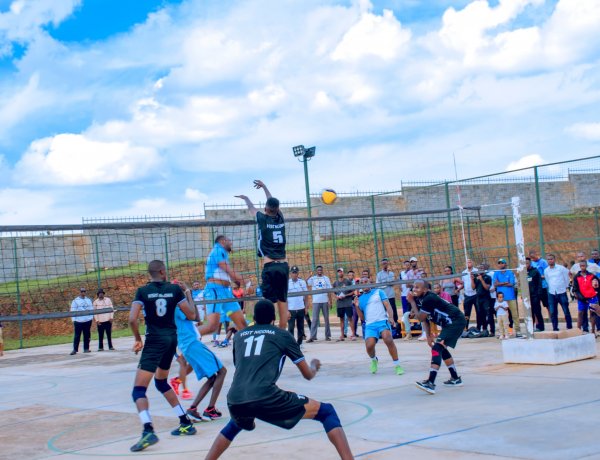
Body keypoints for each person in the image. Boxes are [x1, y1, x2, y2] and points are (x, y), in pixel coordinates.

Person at [204, 299, 354, 460]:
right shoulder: (282, 335)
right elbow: (307, 375)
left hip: (235, 398)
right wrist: (314, 365)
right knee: (326, 411)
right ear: (273, 318)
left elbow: (242, 367)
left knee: (238, 420)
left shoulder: (239, 336)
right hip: (264, 395)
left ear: (254, 318)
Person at [128, 260, 198, 452]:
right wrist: (187, 292)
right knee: (161, 383)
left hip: (154, 341)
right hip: (170, 340)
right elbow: (192, 315)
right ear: (161, 271)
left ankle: (148, 430)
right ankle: (185, 422)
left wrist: (137, 339)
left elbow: (132, 319)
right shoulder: (174, 290)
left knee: (138, 391)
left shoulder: (142, 292)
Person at [236, 180, 289, 329]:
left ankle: (268, 332)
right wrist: (265, 187)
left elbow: (251, 208)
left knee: (269, 304)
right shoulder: (280, 218)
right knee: (283, 302)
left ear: (265, 209)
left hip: (270, 266)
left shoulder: (262, 219)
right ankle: (282, 333)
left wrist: (246, 198)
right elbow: (272, 203)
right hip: (284, 266)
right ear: (278, 209)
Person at [173, 281, 227, 423]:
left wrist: (188, 294)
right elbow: (193, 315)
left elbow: (196, 317)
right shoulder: (178, 307)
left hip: (189, 345)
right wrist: (188, 292)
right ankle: (210, 409)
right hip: (192, 344)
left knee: (212, 377)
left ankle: (193, 409)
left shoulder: (179, 307)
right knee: (222, 372)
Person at [408, 280, 466, 395]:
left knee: (437, 349)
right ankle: (455, 378)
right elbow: (425, 319)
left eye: (417, 287)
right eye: (414, 287)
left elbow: (420, 318)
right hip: (448, 323)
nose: (414, 289)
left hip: (455, 321)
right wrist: (428, 336)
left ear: (425, 289)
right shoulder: (420, 299)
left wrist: (411, 302)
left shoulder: (429, 298)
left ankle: (430, 383)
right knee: (441, 349)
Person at [354, 271, 403, 375]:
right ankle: (374, 360)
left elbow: (388, 305)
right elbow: (362, 318)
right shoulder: (360, 298)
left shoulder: (379, 292)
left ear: (370, 282)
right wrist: (357, 306)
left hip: (382, 321)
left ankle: (397, 365)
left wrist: (391, 317)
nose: (364, 284)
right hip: (370, 325)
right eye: (362, 283)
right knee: (369, 346)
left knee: (388, 339)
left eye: (366, 281)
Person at [199, 235, 247, 339]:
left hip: (226, 292)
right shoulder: (217, 250)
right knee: (212, 326)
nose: (231, 243)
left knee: (242, 324)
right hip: (215, 290)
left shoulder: (222, 253)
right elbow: (228, 270)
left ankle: (248, 348)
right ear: (223, 241)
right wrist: (247, 282)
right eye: (229, 241)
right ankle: (187, 336)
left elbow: (225, 273)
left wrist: (236, 281)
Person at [544, 253, 573, 331]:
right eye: (548, 259)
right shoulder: (546, 270)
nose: (550, 260)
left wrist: (565, 287)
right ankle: (555, 327)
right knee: (553, 312)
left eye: (551, 259)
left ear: (554, 259)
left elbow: (566, 277)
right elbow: (547, 280)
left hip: (562, 292)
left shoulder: (561, 268)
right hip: (552, 293)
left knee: (566, 310)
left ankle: (569, 326)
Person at [493, 259, 521, 337]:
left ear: (505, 264)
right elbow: (495, 284)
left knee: (514, 315)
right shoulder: (496, 273)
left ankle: (518, 331)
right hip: (500, 298)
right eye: (499, 263)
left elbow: (511, 283)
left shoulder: (510, 272)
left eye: (502, 263)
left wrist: (500, 283)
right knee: (501, 316)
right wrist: (505, 282)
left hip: (510, 297)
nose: (500, 264)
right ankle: (502, 332)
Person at [572, 260, 600, 333]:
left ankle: (593, 331)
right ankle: (578, 330)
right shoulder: (576, 277)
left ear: (586, 266)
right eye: (581, 266)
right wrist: (581, 298)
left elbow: (597, 285)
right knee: (580, 313)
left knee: (593, 313)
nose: (582, 267)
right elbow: (575, 289)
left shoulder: (592, 275)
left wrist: (596, 289)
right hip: (582, 299)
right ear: (579, 266)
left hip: (592, 298)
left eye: (584, 266)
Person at [307, 265, 333, 342]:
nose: (319, 271)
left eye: (321, 270)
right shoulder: (313, 278)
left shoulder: (326, 278)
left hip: (324, 301)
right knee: (315, 319)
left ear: (322, 270)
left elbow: (329, 290)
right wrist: (309, 275)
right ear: (316, 271)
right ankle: (312, 336)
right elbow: (305, 283)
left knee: (326, 319)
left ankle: (327, 336)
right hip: (316, 301)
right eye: (318, 270)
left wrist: (330, 301)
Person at [376, 259, 399, 337]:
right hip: (383, 297)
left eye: (386, 263)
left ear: (388, 264)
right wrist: (386, 283)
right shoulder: (379, 274)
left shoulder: (391, 273)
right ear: (381, 265)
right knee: (383, 313)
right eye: (383, 264)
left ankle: (395, 330)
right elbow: (378, 285)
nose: (385, 265)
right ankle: (384, 330)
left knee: (393, 313)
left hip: (391, 296)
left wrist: (387, 278)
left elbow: (391, 283)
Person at [287, 266, 308, 346]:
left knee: (300, 327)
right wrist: (286, 310)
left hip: (300, 308)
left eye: (296, 272)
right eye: (293, 272)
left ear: (298, 273)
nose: (294, 274)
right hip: (291, 309)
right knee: (291, 327)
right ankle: (291, 344)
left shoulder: (302, 282)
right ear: (290, 273)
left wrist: (306, 307)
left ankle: (300, 343)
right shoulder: (287, 283)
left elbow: (306, 295)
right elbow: (284, 298)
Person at [70, 287, 94, 355]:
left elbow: (91, 309)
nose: (83, 292)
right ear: (80, 292)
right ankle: (75, 349)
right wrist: (74, 320)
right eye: (82, 291)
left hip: (87, 321)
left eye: (84, 291)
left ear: (85, 292)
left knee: (87, 335)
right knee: (77, 336)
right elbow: (73, 310)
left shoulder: (88, 300)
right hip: (78, 321)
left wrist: (90, 318)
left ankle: (86, 348)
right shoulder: (75, 301)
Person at [334, 268, 356, 341]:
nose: (340, 273)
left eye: (341, 272)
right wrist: (337, 297)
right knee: (341, 319)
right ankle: (342, 335)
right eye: (339, 272)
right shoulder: (335, 283)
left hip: (347, 303)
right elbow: (333, 292)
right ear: (337, 273)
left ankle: (353, 334)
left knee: (350, 318)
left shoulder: (348, 281)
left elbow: (353, 291)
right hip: (340, 304)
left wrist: (346, 295)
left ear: (343, 273)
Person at [471, 266, 493, 337]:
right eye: (479, 269)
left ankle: (492, 331)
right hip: (478, 298)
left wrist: (481, 280)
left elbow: (487, 288)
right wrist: (472, 279)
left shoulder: (488, 277)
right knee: (481, 314)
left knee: (489, 314)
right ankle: (484, 329)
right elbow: (473, 287)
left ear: (484, 270)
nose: (480, 270)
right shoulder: (476, 277)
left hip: (486, 298)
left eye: (482, 269)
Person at [525, 258, 544, 332]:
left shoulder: (535, 271)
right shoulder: (523, 272)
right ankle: (531, 327)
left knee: (537, 311)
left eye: (527, 263)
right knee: (530, 312)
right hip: (527, 296)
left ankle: (540, 327)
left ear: (530, 263)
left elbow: (539, 283)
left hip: (535, 295)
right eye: (525, 263)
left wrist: (539, 293)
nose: (526, 265)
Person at [461, 259, 479, 331]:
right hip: (467, 295)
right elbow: (463, 283)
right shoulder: (464, 272)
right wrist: (458, 289)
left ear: (472, 263)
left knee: (478, 311)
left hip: (475, 294)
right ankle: (466, 328)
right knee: (466, 313)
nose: (468, 263)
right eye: (467, 262)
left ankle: (478, 327)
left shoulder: (476, 271)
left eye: (470, 262)